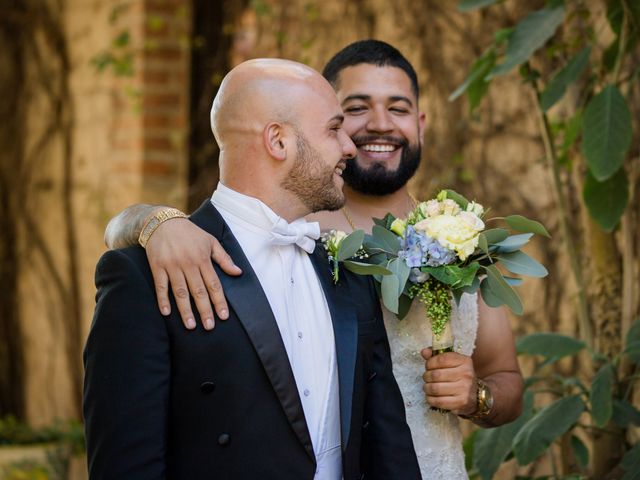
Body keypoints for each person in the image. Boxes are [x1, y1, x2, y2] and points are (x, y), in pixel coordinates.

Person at [105, 40, 524, 478]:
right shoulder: (195, 253)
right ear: (279, 137)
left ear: (420, 121)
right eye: (344, 118)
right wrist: (151, 221)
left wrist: (476, 395)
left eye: (397, 108)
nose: (361, 136)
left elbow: (389, 438)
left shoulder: (365, 265)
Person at [84, 58, 421, 480]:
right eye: (333, 129)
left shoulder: (348, 269)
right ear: (278, 141)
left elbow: (387, 445)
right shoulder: (143, 276)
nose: (349, 147)